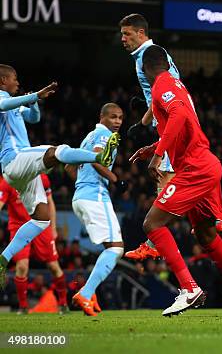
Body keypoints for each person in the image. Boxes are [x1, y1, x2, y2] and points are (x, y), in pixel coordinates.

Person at [129, 45, 222, 317]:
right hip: (206, 164)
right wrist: (154, 147)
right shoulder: (176, 83)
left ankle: (189, 289)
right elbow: (184, 124)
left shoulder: (161, 84)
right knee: (207, 235)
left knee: (152, 223)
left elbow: (180, 116)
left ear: (145, 68)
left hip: (195, 168)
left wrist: (159, 154)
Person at [119, 13, 222, 261]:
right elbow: (162, 94)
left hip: (173, 127)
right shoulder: (151, 56)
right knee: (194, 167)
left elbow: (170, 93)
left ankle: (154, 240)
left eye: (127, 34)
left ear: (141, 33)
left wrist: (157, 142)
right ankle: (214, 218)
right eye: (122, 34)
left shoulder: (150, 55)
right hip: (169, 122)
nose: (123, 39)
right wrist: (144, 121)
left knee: (167, 178)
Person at [0, 64, 119, 287]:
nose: (17, 82)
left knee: (42, 219)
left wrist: (34, 102)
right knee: (59, 151)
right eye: (14, 78)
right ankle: (97, 158)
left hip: (20, 172)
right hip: (14, 159)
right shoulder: (2, 98)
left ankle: (3, 259)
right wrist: (33, 95)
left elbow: (34, 118)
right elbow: (4, 104)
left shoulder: (14, 105)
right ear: (3, 81)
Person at [66, 103, 128, 316]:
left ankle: (90, 295)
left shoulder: (89, 136)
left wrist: (81, 184)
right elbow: (97, 159)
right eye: (113, 117)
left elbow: (68, 166)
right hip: (95, 197)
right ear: (102, 117)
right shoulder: (103, 136)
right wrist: (114, 179)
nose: (118, 121)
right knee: (116, 249)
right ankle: (85, 292)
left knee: (108, 248)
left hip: (80, 198)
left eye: (120, 117)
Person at [0, 174, 68, 314]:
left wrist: (53, 228)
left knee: (54, 266)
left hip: (41, 225)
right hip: (18, 226)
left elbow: (50, 202)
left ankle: (63, 303)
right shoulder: (8, 181)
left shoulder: (42, 178)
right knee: (22, 266)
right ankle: (23, 307)